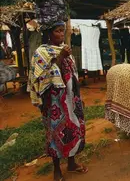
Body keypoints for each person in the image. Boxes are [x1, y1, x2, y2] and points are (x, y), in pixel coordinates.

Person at [28, 21, 87, 181]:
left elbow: (72, 75)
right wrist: (61, 57)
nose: (61, 34)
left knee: (73, 128)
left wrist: (77, 97)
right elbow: (43, 77)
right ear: (49, 33)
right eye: (58, 31)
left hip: (71, 99)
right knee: (55, 133)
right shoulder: (41, 52)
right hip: (54, 102)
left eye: (63, 31)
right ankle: (57, 170)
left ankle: (72, 163)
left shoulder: (64, 49)